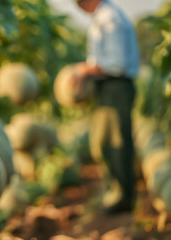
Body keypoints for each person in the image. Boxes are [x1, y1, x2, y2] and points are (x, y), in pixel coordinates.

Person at [73, 0, 140, 214]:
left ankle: (123, 198)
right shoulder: (103, 17)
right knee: (104, 143)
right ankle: (115, 192)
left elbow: (116, 64)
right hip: (107, 87)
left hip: (116, 86)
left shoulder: (110, 18)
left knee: (117, 144)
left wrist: (86, 70)